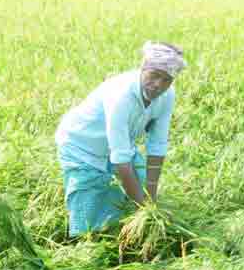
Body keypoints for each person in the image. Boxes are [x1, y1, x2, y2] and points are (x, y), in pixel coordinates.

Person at [55, 42, 186, 237]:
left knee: (140, 189)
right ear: (143, 68)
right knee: (89, 211)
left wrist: (151, 199)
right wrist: (144, 209)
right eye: (154, 75)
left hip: (119, 144)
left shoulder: (166, 96)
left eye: (166, 80)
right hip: (82, 145)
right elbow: (121, 161)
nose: (159, 84)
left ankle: (124, 225)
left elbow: (157, 145)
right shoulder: (121, 95)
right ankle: (87, 243)